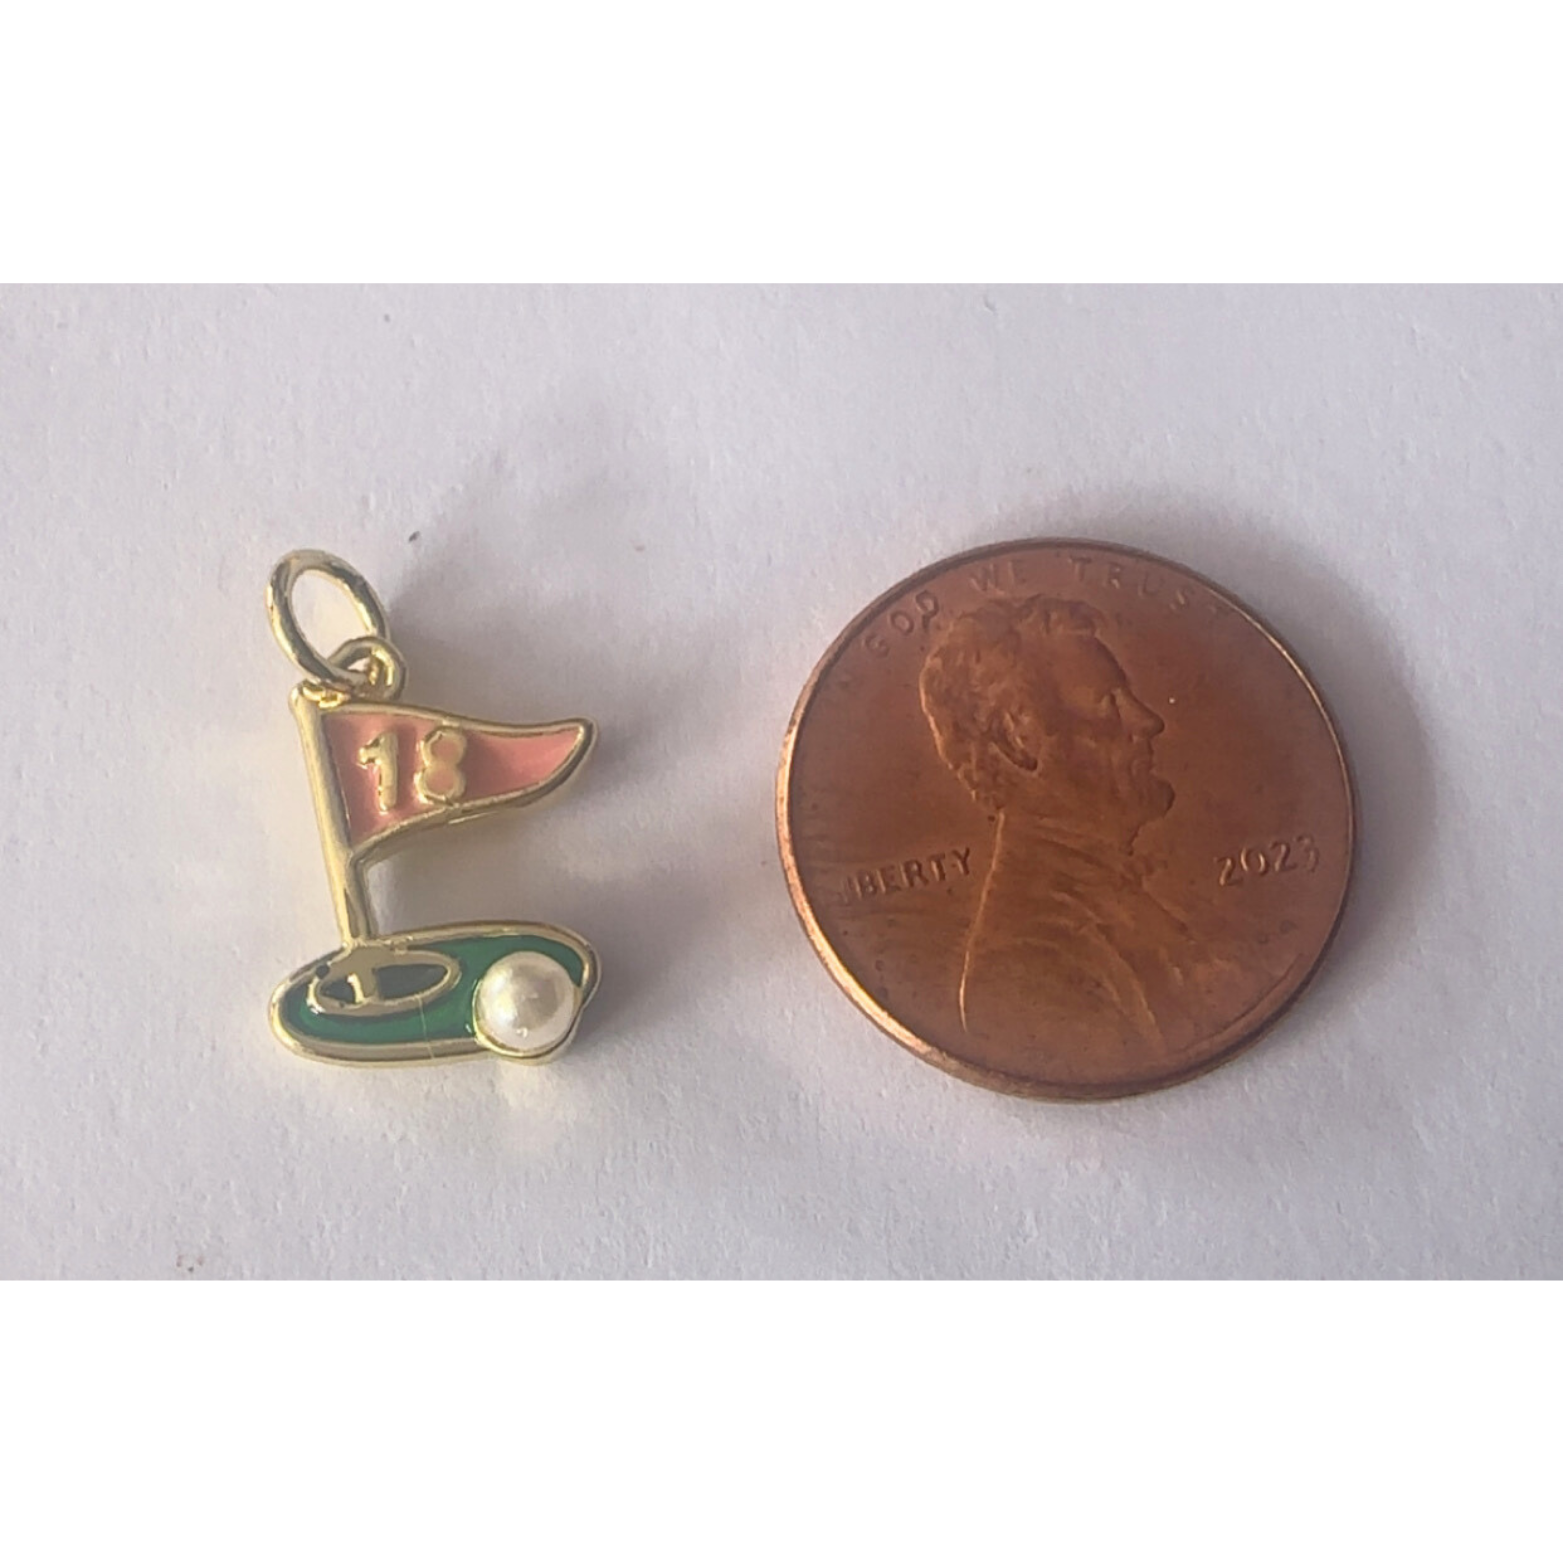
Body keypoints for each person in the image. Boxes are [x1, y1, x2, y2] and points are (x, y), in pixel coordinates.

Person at [920, 597, 1249, 1063]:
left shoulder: (1116, 904)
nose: (1148, 721)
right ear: (1020, 737)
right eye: (1109, 703)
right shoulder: (1029, 971)